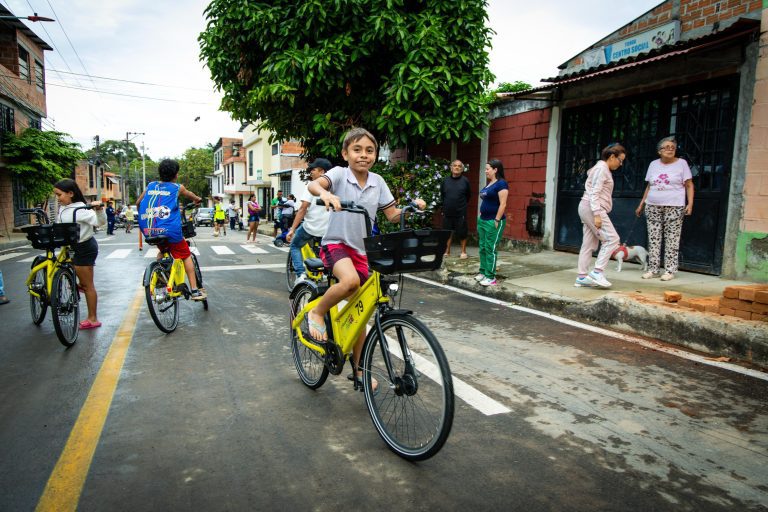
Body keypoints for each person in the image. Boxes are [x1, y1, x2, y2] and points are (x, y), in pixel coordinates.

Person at [307, 127, 426, 386]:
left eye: (369, 150)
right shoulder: (339, 174)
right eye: (357, 150)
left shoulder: (378, 182)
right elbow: (313, 184)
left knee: (360, 312)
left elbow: (391, 215)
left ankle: (360, 370)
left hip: (362, 250)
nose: (364, 155)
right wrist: (326, 193)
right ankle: (317, 312)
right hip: (336, 245)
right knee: (349, 282)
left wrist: (410, 208)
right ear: (345, 153)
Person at [136, 159, 206, 301]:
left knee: (162, 252)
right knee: (185, 254)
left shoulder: (150, 185)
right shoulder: (177, 187)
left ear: (160, 173)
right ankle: (194, 290)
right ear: (176, 174)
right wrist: (198, 199)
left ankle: (161, 282)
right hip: (170, 230)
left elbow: (138, 203)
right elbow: (191, 195)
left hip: (149, 230)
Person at [635, 136, 694, 281]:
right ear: (659, 151)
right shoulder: (653, 164)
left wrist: (690, 203)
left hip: (674, 206)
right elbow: (649, 185)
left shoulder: (682, 164)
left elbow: (689, 185)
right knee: (654, 238)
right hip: (652, 205)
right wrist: (642, 203)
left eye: (672, 147)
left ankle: (670, 270)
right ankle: (653, 269)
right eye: (666, 147)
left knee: (672, 239)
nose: (670, 149)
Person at [53, 178, 107, 329]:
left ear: (70, 193)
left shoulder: (81, 209)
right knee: (79, 279)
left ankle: (93, 319)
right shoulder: (64, 208)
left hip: (84, 247)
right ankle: (79, 284)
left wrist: (99, 209)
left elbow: (100, 223)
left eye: (59, 195)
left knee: (88, 285)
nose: (58, 198)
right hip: (71, 248)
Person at [575, 143, 626, 289]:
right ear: (612, 156)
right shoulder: (602, 169)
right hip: (593, 208)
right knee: (612, 239)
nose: (620, 164)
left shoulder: (600, 168)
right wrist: (597, 214)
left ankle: (582, 277)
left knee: (589, 244)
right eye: (620, 160)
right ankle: (597, 272)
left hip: (588, 208)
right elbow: (594, 192)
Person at [286, 158, 332, 285]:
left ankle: (300, 275)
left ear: (322, 172)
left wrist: (292, 230)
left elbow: (302, 209)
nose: (311, 172)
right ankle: (327, 274)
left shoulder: (312, 186)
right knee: (328, 250)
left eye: (314, 169)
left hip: (311, 228)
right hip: (328, 230)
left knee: (295, 246)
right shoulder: (335, 186)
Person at [475, 159, 508, 286]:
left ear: (495, 170)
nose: (485, 171)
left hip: (493, 221)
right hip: (483, 220)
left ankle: (491, 277)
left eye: (487, 169)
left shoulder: (501, 184)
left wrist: (497, 220)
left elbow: (503, 204)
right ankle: (483, 272)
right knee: (482, 247)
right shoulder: (489, 184)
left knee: (490, 248)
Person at [440, 159, 471, 259]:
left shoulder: (465, 181)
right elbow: (442, 195)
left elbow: (468, 195)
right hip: (447, 212)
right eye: (455, 165)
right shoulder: (445, 181)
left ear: (462, 169)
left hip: (460, 211)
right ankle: (447, 251)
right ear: (451, 167)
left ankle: (463, 252)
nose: (457, 167)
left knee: (462, 232)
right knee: (447, 232)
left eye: (459, 166)